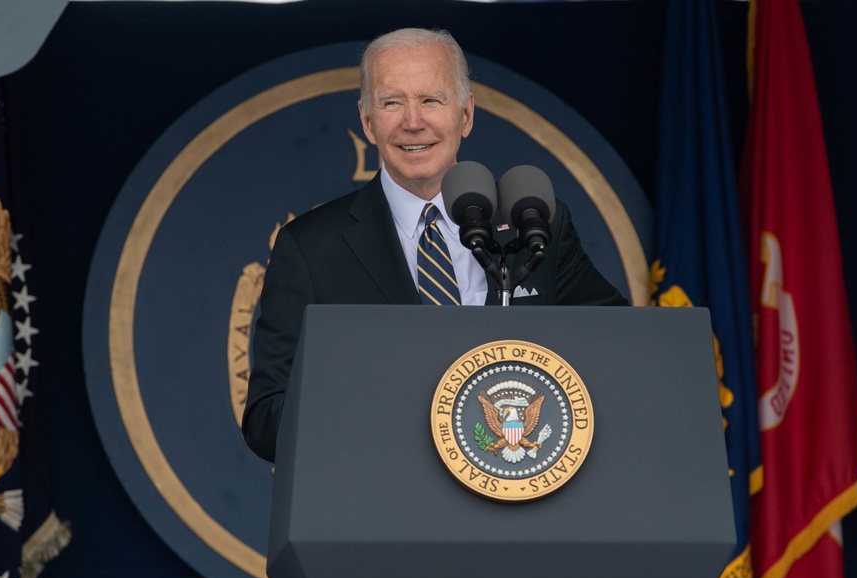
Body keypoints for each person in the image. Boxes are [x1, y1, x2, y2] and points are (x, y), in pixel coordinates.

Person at [242, 27, 627, 462]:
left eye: (431, 100)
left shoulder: (533, 223)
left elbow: (623, 353)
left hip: (521, 502)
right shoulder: (310, 248)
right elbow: (265, 420)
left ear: (465, 115)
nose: (412, 121)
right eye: (391, 103)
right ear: (368, 122)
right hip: (381, 508)